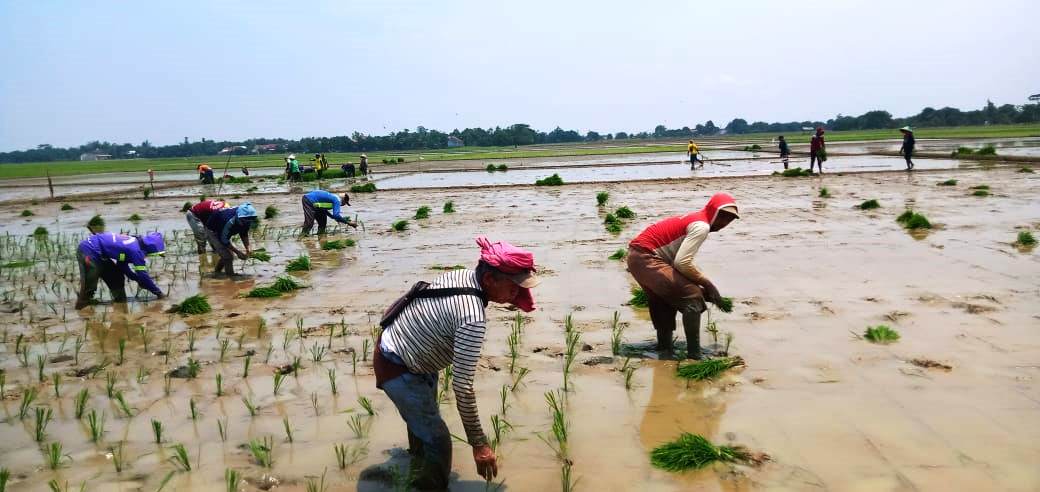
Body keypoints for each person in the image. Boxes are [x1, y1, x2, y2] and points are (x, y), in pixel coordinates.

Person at [372, 236, 539, 490]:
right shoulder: (472, 316)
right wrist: (479, 444)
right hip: (397, 365)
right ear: (489, 280)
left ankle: (416, 462)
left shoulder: (464, 276)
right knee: (438, 439)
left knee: (424, 424)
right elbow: (463, 387)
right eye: (513, 285)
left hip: (408, 351)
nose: (519, 293)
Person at [626, 193, 739, 360]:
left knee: (662, 300)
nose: (724, 224)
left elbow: (680, 261)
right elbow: (682, 263)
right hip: (647, 258)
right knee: (693, 296)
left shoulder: (695, 219)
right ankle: (694, 355)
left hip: (637, 257)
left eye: (729, 220)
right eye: (722, 217)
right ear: (713, 211)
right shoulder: (702, 226)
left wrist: (701, 284)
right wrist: (708, 285)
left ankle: (664, 348)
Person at [75, 232, 166, 309]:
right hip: (88, 250)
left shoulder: (133, 244)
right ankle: (81, 308)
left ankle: (120, 302)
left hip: (100, 253)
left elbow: (122, 266)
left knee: (116, 277)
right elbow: (143, 275)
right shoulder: (136, 251)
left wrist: (137, 279)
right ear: (151, 249)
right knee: (89, 285)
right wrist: (158, 293)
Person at [204, 202, 257, 277]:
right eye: (245, 221)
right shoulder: (228, 220)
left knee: (227, 255)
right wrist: (237, 252)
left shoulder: (247, 219)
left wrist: (248, 248)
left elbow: (244, 233)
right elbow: (224, 240)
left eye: (250, 220)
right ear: (239, 217)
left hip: (223, 230)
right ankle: (231, 276)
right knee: (228, 256)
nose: (248, 223)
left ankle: (217, 272)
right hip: (213, 231)